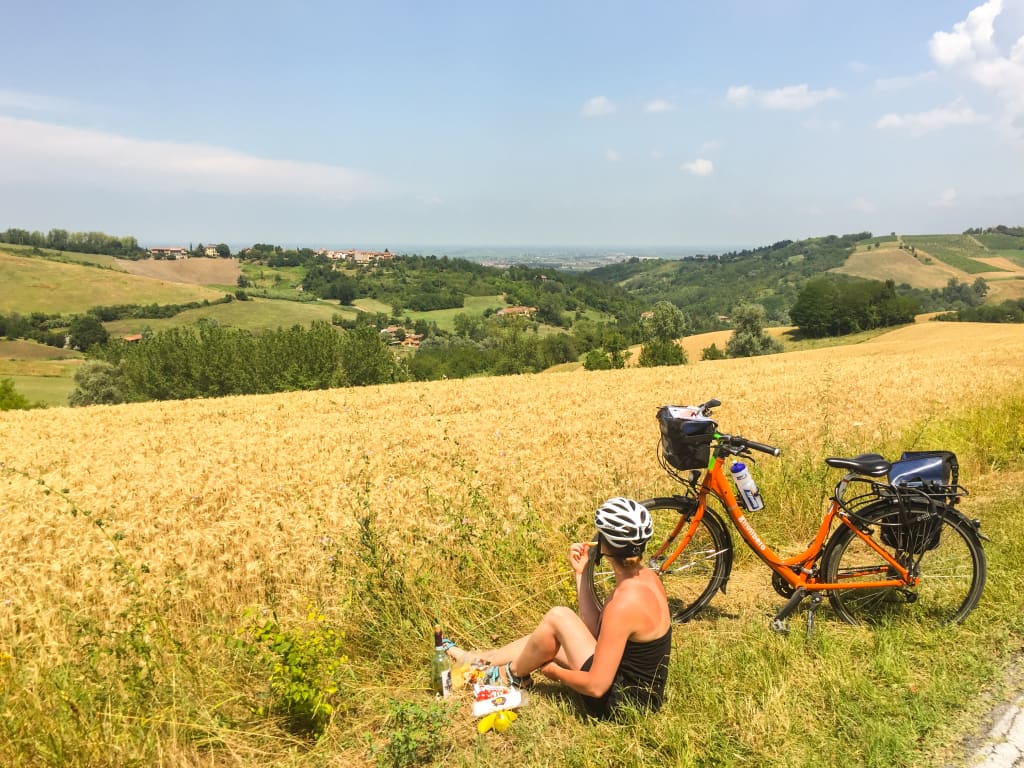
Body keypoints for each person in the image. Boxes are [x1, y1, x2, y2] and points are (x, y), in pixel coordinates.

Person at [445, 497, 672, 719]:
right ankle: (480, 660)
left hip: (622, 704)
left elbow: (596, 687)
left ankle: (510, 675)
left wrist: (556, 673)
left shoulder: (624, 603)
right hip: (640, 692)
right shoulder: (647, 579)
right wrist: (581, 573)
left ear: (604, 544)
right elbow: (595, 630)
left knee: (557, 618)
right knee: (545, 637)